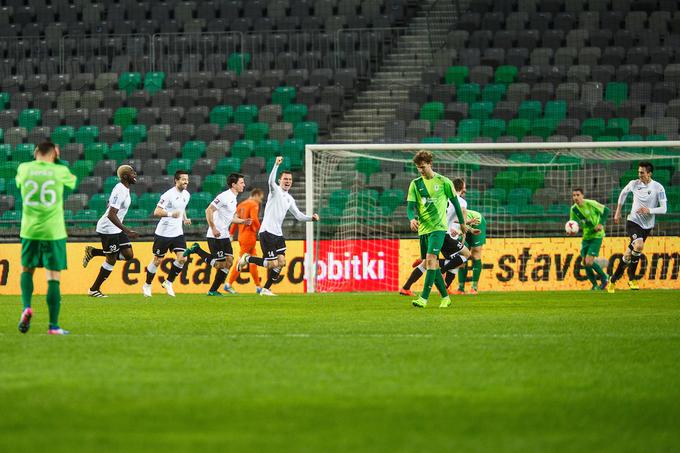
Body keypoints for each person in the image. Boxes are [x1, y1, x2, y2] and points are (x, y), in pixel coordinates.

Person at [16, 142, 77, 334]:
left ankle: (26, 306)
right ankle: (53, 326)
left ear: (36, 153)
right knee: (53, 277)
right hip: (54, 231)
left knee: (27, 270)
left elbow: (19, 183)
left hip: (30, 230)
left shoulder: (24, 168)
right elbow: (73, 182)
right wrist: (57, 161)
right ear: (55, 154)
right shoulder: (60, 170)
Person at [236, 156, 319, 296]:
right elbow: (270, 181)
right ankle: (247, 258)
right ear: (280, 181)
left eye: (290, 180)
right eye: (285, 179)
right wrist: (276, 165)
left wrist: (311, 218)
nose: (288, 182)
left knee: (281, 262)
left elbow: (298, 215)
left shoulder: (289, 198)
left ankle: (266, 289)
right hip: (267, 232)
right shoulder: (275, 191)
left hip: (278, 234)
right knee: (272, 264)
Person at [407, 150, 466, 308]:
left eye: (423, 167)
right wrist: (411, 218)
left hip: (439, 228)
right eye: (418, 167)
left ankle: (423, 298)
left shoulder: (444, 182)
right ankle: (445, 297)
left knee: (431, 259)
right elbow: (409, 206)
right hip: (424, 229)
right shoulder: (415, 184)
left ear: (430, 164)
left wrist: (462, 223)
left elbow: (456, 203)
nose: (421, 170)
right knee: (431, 264)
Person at [400, 177, 472, 296]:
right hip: (445, 235)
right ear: (462, 188)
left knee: (449, 262)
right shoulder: (462, 201)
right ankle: (441, 272)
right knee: (465, 254)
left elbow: (449, 217)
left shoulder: (442, 199)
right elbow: (462, 216)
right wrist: (464, 227)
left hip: (435, 233)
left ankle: (406, 288)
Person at [183, 173, 252, 296]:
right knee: (220, 265)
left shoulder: (233, 198)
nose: (244, 185)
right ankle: (197, 249)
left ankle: (213, 290)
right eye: (241, 182)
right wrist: (213, 228)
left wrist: (243, 221)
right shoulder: (224, 196)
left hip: (224, 235)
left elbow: (230, 218)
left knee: (229, 262)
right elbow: (209, 210)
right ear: (233, 184)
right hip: (215, 235)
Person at [608, 161, 667, 293]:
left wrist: (649, 210)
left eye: (642, 172)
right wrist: (618, 211)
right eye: (638, 172)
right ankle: (632, 278)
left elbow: (664, 209)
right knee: (639, 245)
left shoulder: (658, 187)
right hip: (633, 221)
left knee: (628, 255)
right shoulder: (634, 184)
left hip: (647, 226)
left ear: (649, 173)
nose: (639, 174)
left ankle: (613, 280)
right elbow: (623, 193)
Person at [84, 164, 139, 298]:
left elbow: (111, 203)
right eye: (132, 173)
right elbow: (111, 214)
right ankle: (94, 289)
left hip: (116, 228)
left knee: (128, 255)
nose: (135, 174)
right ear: (125, 176)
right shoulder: (120, 189)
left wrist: (110, 204)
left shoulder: (123, 188)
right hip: (108, 229)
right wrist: (127, 231)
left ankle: (94, 252)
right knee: (111, 259)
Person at [142, 170, 191, 297]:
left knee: (183, 258)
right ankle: (147, 285)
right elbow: (156, 212)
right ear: (176, 180)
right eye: (183, 179)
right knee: (157, 261)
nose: (186, 181)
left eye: (187, 179)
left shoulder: (187, 194)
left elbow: (182, 207)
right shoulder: (168, 195)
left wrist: (185, 218)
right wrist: (170, 214)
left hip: (178, 233)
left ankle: (168, 282)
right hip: (163, 233)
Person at [566, 188, 610, 291]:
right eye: (574, 195)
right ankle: (595, 285)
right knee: (584, 262)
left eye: (577, 195)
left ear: (582, 195)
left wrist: (600, 224)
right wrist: (570, 231)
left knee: (589, 262)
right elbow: (572, 223)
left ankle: (605, 277)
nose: (575, 197)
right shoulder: (574, 209)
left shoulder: (591, 203)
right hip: (586, 237)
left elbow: (606, 210)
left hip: (597, 235)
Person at [224, 187, 264, 294]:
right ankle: (228, 284)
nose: (260, 201)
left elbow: (234, 220)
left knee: (253, 260)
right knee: (241, 261)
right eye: (260, 198)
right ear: (256, 195)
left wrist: (231, 234)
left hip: (241, 236)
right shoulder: (253, 204)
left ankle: (258, 286)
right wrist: (261, 230)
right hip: (249, 236)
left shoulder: (241, 204)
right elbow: (254, 218)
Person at [455, 208, 486, 295]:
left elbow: (463, 229)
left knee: (475, 253)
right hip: (462, 228)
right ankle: (461, 288)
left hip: (477, 222)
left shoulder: (454, 213)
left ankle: (474, 288)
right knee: (461, 255)